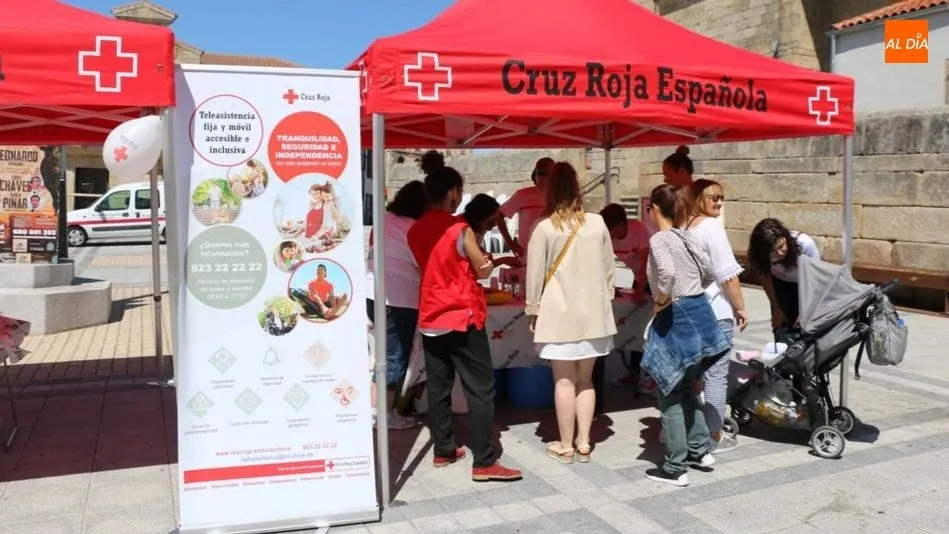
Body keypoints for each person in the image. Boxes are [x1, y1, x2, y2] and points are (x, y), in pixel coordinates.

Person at [406, 150, 522, 482]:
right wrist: (494, 262)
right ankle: (485, 461)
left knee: (439, 386)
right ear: (455, 192)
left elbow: (425, 269)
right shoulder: (459, 227)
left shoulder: (415, 230)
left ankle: (443, 449)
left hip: (431, 315)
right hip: (461, 313)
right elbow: (482, 267)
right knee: (481, 388)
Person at [526, 162, 617, 464]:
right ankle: (584, 442)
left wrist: (532, 309)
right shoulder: (597, 223)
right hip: (593, 315)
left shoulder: (544, 227)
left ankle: (565, 443)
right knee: (586, 380)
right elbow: (609, 271)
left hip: (558, 314)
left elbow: (535, 275)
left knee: (563, 381)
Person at [642, 184, 731, 487]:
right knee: (689, 388)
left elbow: (665, 274)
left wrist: (661, 302)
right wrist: (692, 288)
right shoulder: (686, 234)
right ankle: (700, 449)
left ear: (655, 208)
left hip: (676, 314)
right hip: (701, 310)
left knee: (669, 394)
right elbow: (708, 271)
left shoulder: (660, 239)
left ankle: (675, 467)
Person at [685, 179, 748, 454]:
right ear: (699, 198)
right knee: (716, 374)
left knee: (691, 373)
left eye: (722, 198)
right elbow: (728, 275)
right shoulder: (711, 227)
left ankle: (683, 429)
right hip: (715, 309)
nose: (719, 203)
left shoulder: (686, 226)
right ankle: (713, 434)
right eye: (714, 198)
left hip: (691, 310)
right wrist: (741, 307)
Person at [366, 179, 428, 429]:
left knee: (382, 356)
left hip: (374, 293)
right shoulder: (411, 227)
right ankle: (383, 417)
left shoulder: (382, 220)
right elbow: (420, 261)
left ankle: (376, 412)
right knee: (394, 358)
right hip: (399, 299)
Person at [596, 203, 651, 407]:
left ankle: (649, 376)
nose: (609, 235)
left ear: (622, 224)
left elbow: (648, 263)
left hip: (654, 278)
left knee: (645, 327)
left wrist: (640, 290)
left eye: (611, 230)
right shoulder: (607, 235)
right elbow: (602, 263)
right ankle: (635, 372)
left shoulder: (639, 230)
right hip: (638, 279)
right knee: (633, 325)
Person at [746, 218, 821, 331]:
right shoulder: (760, 253)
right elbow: (765, 276)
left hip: (806, 286)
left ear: (786, 238)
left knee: (805, 330)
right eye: (773, 251)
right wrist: (776, 307)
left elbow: (816, 279)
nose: (780, 253)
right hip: (780, 285)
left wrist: (806, 311)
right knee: (781, 327)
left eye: (781, 246)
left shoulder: (805, 244)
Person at [498, 157, 554, 257]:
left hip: (554, 251)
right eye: (540, 173)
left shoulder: (561, 196)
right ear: (534, 175)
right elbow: (499, 216)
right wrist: (511, 244)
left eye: (547, 173)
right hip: (528, 253)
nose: (542, 177)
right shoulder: (522, 195)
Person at [643, 146, 696, 237]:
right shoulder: (675, 197)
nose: (665, 180)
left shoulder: (700, 195)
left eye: (667, 174)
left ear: (681, 172)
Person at [462, 194, 523, 269]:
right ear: (477, 220)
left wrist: (482, 251)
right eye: (490, 222)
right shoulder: (464, 232)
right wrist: (502, 260)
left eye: (496, 220)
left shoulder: (479, 226)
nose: (494, 225)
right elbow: (480, 268)